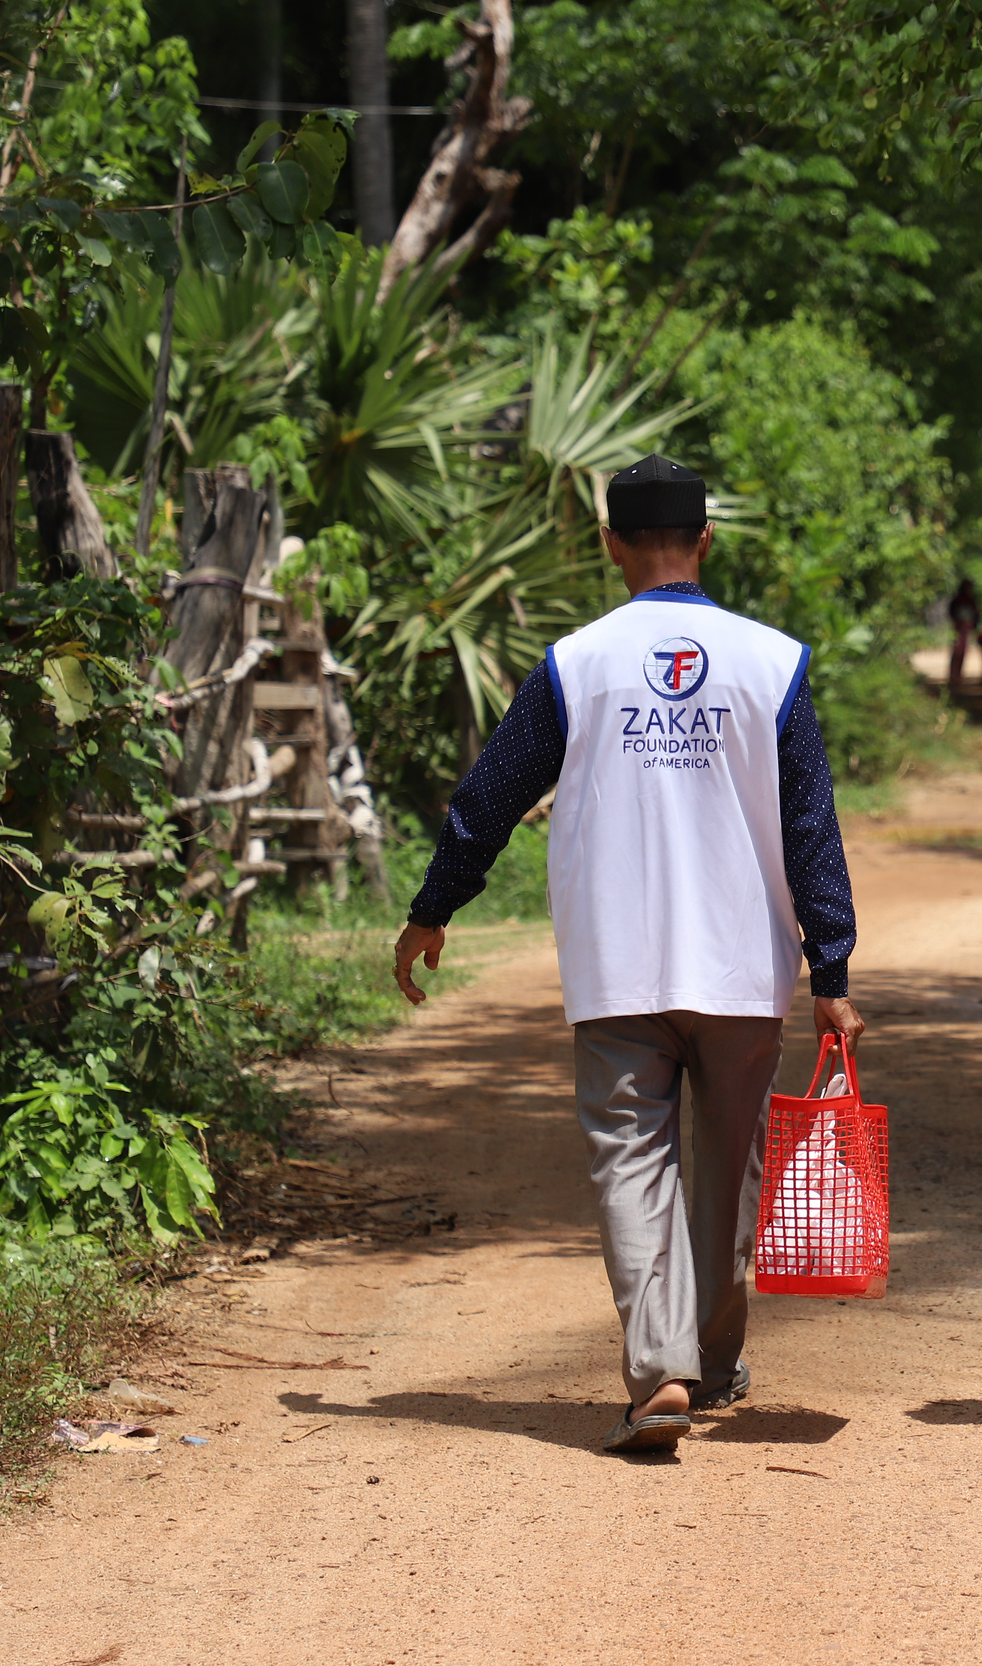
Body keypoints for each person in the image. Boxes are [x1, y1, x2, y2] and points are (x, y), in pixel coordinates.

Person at [390, 454, 865, 1455]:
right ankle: (713, 1360)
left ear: (609, 545)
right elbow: (810, 824)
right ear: (706, 540)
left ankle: (662, 1373)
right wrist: (832, 971)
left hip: (617, 967)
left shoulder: (575, 665)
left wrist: (434, 908)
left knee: (631, 1166)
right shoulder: (770, 663)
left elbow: (487, 800)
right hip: (742, 969)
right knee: (727, 1174)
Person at [946, 578, 981, 688]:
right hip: (959, 628)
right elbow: (952, 613)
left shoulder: (970, 600)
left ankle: (958, 675)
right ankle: (953, 675)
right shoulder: (959, 600)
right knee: (957, 651)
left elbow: (976, 613)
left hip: (966, 628)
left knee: (962, 652)